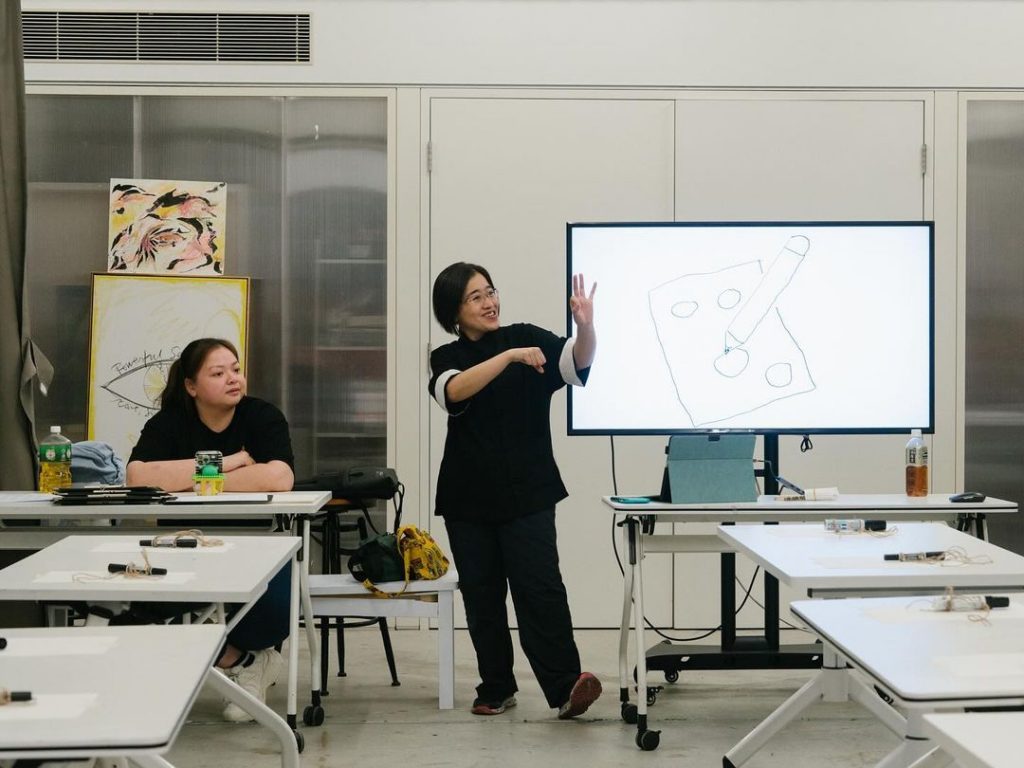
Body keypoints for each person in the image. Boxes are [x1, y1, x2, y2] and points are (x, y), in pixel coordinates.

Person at [428, 262, 602, 719]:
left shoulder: (526, 334)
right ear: (453, 312)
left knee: (540, 589)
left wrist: (586, 328)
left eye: (490, 291)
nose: (489, 302)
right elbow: (453, 393)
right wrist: (507, 358)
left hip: (529, 492)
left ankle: (567, 687)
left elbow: (576, 362)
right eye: (475, 297)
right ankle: (496, 687)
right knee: (482, 597)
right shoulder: (446, 356)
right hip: (467, 497)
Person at [126, 337, 295, 722]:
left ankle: (246, 659)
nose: (233, 379)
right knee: (140, 607)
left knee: (273, 610)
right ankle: (243, 661)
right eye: (218, 373)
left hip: (257, 543)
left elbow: (280, 476)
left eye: (236, 369)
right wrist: (233, 462)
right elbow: (138, 477)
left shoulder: (262, 416)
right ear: (191, 386)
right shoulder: (169, 422)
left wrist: (188, 477)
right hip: (181, 544)